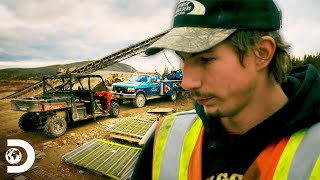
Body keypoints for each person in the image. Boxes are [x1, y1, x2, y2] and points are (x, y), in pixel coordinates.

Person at [132, 0, 320, 179]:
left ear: (262, 53)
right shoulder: (167, 139)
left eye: (206, 59)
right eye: (184, 60)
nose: (187, 83)